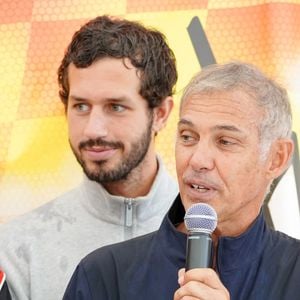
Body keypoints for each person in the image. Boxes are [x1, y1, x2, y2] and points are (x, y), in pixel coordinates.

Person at [63, 61, 300, 300]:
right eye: (188, 137)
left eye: (225, 141)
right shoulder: (104, 275)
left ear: (276, 159)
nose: (198, 160)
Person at [0, 15, 178, 300]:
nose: (93, 129)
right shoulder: (17, 247)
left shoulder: (221, 232)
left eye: (116, 107)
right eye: (81, 106)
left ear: (160, 114)